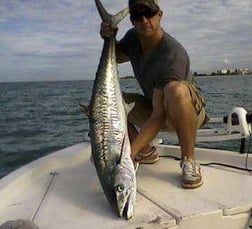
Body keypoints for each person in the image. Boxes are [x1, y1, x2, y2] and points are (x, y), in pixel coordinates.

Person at [100, 0, 209, 189]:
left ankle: (189, 161)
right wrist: (109, 38)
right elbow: (118, 56)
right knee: (111, 104)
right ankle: (146, 152)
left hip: (185, 112)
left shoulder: (172, 54)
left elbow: (158, 116)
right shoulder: (134, 37)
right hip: (155, 107)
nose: (144, 20)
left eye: (149, 13)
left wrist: (127, 157)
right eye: (137, 16)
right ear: (132, 20)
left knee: (175, 91)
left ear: (160, 15)